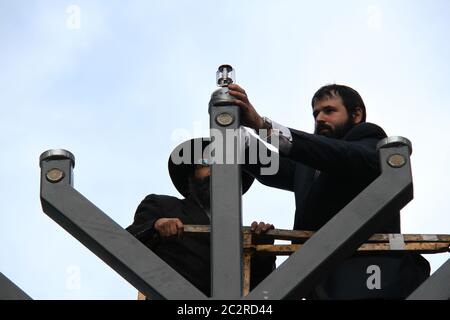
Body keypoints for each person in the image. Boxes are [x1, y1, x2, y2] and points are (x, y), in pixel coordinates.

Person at [228, 83, 430, 299]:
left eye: (329, 111)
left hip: (370, 274)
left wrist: (263, 125)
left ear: (356, 114)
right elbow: (267, 164)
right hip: (319, 279)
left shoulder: (368, 138)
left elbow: (342, 155)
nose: (320, 118)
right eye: (315, 113)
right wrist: (231, 123)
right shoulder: (307, 165)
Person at [126, 137, 275, 297]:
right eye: (205, 163)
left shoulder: (241, 235)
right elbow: (124, 243)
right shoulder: (162, 205)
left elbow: (262, 291)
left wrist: (262, 250)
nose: (215, 169)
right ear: (191, 175)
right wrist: (155, 226)